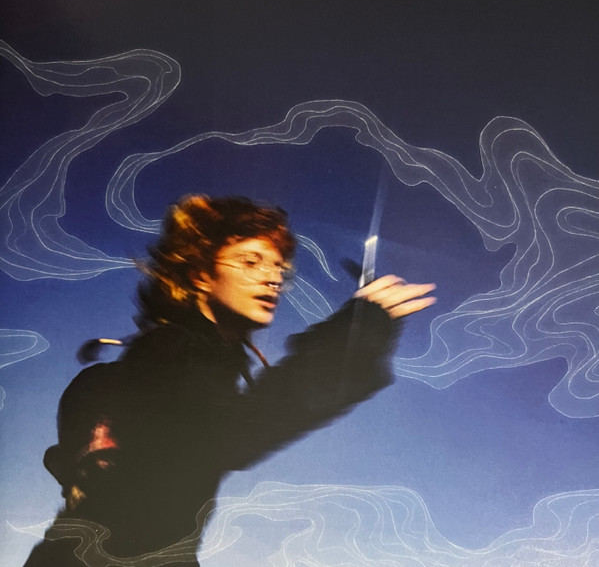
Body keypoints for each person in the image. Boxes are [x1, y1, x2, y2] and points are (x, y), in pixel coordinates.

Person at [24, 194, 436, 567]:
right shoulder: (171, 349)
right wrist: (353, 338)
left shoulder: (202, 358)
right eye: (251, 261)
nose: (272, 277)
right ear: (201, 274)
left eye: (279, 267)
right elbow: (230, 434)